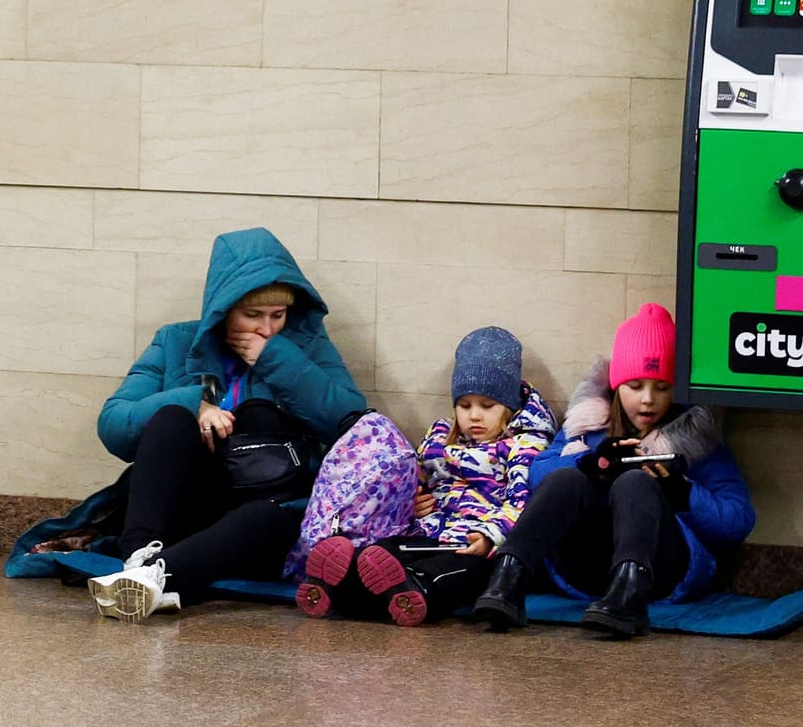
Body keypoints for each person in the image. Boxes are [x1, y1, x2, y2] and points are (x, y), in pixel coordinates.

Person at [83, 228, 368, 622]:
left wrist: (277, 359)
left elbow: (352, 423)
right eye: (252, 315)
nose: (266, 328)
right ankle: (141, 559)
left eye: (277, 316)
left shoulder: (306, 346)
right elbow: (114, 424)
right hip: (196, 501)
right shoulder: (176, 342)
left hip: (267, 510)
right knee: (169, 419)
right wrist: (194, 403)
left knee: (266, 518)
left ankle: (153, 578)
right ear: (224, 309)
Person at [472, 303, 755, 637]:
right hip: (586, 566)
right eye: (635, 386)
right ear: (616, 386)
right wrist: (593, 465)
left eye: (662, 388)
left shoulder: (696, 440)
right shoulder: (586, 426)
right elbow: (539, 472)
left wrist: (681, 491)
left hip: (659, 570)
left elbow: (737, 521)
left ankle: (628, 595)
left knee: (634, 482)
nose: (648, 400)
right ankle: (508, 577)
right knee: (565, 477)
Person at [296, 326, 553, 626]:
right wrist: (414, 501)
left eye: (487, 406)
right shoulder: (440, 436)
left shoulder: (524, 443)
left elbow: (521, 501)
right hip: (428, 531)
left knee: (462, 570)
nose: (474, 416)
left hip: (475, 542)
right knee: (383, 553)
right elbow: (416, 477)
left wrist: (490, 536)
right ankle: (339, 581)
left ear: (508, 407)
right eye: (464, 405)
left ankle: (413, 592)